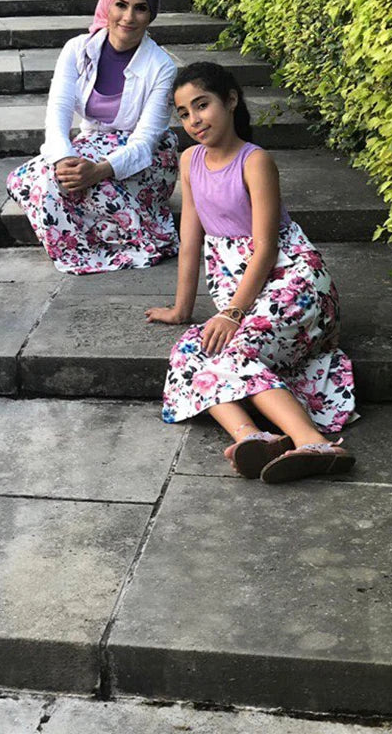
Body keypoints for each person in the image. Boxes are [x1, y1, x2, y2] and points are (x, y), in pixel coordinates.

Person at [145, 63, 356, 483]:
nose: (194, 120)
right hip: (246, 293)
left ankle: (314, 442)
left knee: (237, 349)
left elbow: (267, 247)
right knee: (189, 352)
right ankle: (253, 438)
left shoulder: (254, 161)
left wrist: (232, 313)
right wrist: (181, 309)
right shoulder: (189, 161)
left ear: (231, 100)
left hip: (291, 281)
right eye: (184, 113)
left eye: (202, 105)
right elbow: (190, 240)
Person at [6, 0, 179, 274]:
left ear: (151, 15)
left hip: (146, 158)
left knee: (86, 187)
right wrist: (64, 159)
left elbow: (144, 141)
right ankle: (85, 244)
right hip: (91, 144)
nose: (128, 17)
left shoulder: (162, 65)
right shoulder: (77, 49)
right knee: (25, 179)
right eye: (121, 5)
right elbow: (57, 114)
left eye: (141, 8)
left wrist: (99, 171)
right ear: (107, 5)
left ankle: (133, 236)